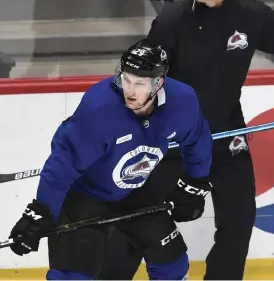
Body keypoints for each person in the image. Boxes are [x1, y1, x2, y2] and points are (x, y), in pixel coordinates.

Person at [99, 0, 274, 281]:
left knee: (238, 222)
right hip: (173, 143)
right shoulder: (171, 22)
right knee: (138, 226)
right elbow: (141, 82)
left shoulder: (250, 16)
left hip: (226, 139)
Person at [7, 39, 214, 280]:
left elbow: (198, 140)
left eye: (139, 83)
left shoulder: (183, 101)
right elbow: (62, 165)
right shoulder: (100, 108)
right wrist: (41, 212)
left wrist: (194, 184)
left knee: (173, 262)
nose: (130, 90)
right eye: (126, 79)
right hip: (86, 194)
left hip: (137, 190)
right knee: (71, 276)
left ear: (158, 83)